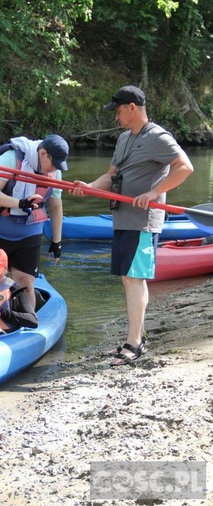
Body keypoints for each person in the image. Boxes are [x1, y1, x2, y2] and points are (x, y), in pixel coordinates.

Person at [70, 85, 194, 366]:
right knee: (128, 278)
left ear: (132, 108)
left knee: (133, 279)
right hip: (122, 218)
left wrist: (153, 193)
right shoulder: (125, 138)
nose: (115, 117)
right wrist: (89, 187)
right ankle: (136, 337)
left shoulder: (158, 137)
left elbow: (185, 167)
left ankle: (134, 343)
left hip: (142, 221)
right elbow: (110, 176)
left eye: (117, 111)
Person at [0, 134, 69, 309]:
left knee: (26, 282)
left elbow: (55, 206)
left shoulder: (55, 172)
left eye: (58, 166)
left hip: (29, 232)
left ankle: (29, 322)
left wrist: (57, 241)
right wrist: (19, 203)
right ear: (43, 153)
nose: (54, 170)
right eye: (52, 163)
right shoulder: (11, 159)